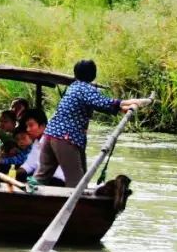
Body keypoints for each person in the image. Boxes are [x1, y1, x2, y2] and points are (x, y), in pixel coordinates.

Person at [35, 59, 151, 187]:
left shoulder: (73, 87)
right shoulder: (85, 88)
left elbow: (105, 105)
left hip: (50, 135)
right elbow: (104, 103)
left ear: (76, 73)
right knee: (77, 183)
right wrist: (136, 101)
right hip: (65, 137)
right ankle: (77, 206)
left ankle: (27, 198)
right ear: (93, 75)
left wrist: (125, 107)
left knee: (41, 177)